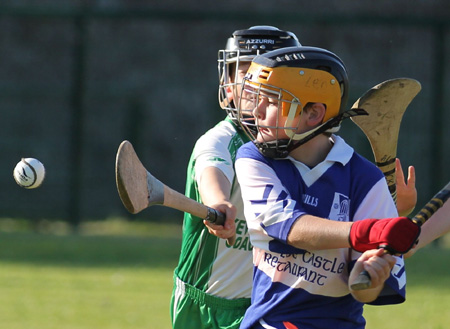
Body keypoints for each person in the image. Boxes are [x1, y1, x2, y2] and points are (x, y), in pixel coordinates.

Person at [234, 45, 421, 328]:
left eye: (272, 102)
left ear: (314, 114)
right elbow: (289, 227)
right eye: (257, 99)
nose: (257, 111)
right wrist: (366, 231)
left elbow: (365, 291)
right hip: (268, 322)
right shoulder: (254, 158)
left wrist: (368, 273)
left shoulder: (366, 180)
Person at [170, 26, 301, 329]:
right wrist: (218, 202)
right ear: (228, 86)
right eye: (245, 71)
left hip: (268, 303)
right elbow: (210, 170)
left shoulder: (303, 148)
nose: (256, 83)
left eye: (268, 72)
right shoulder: (219, 140)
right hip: (206, 307)